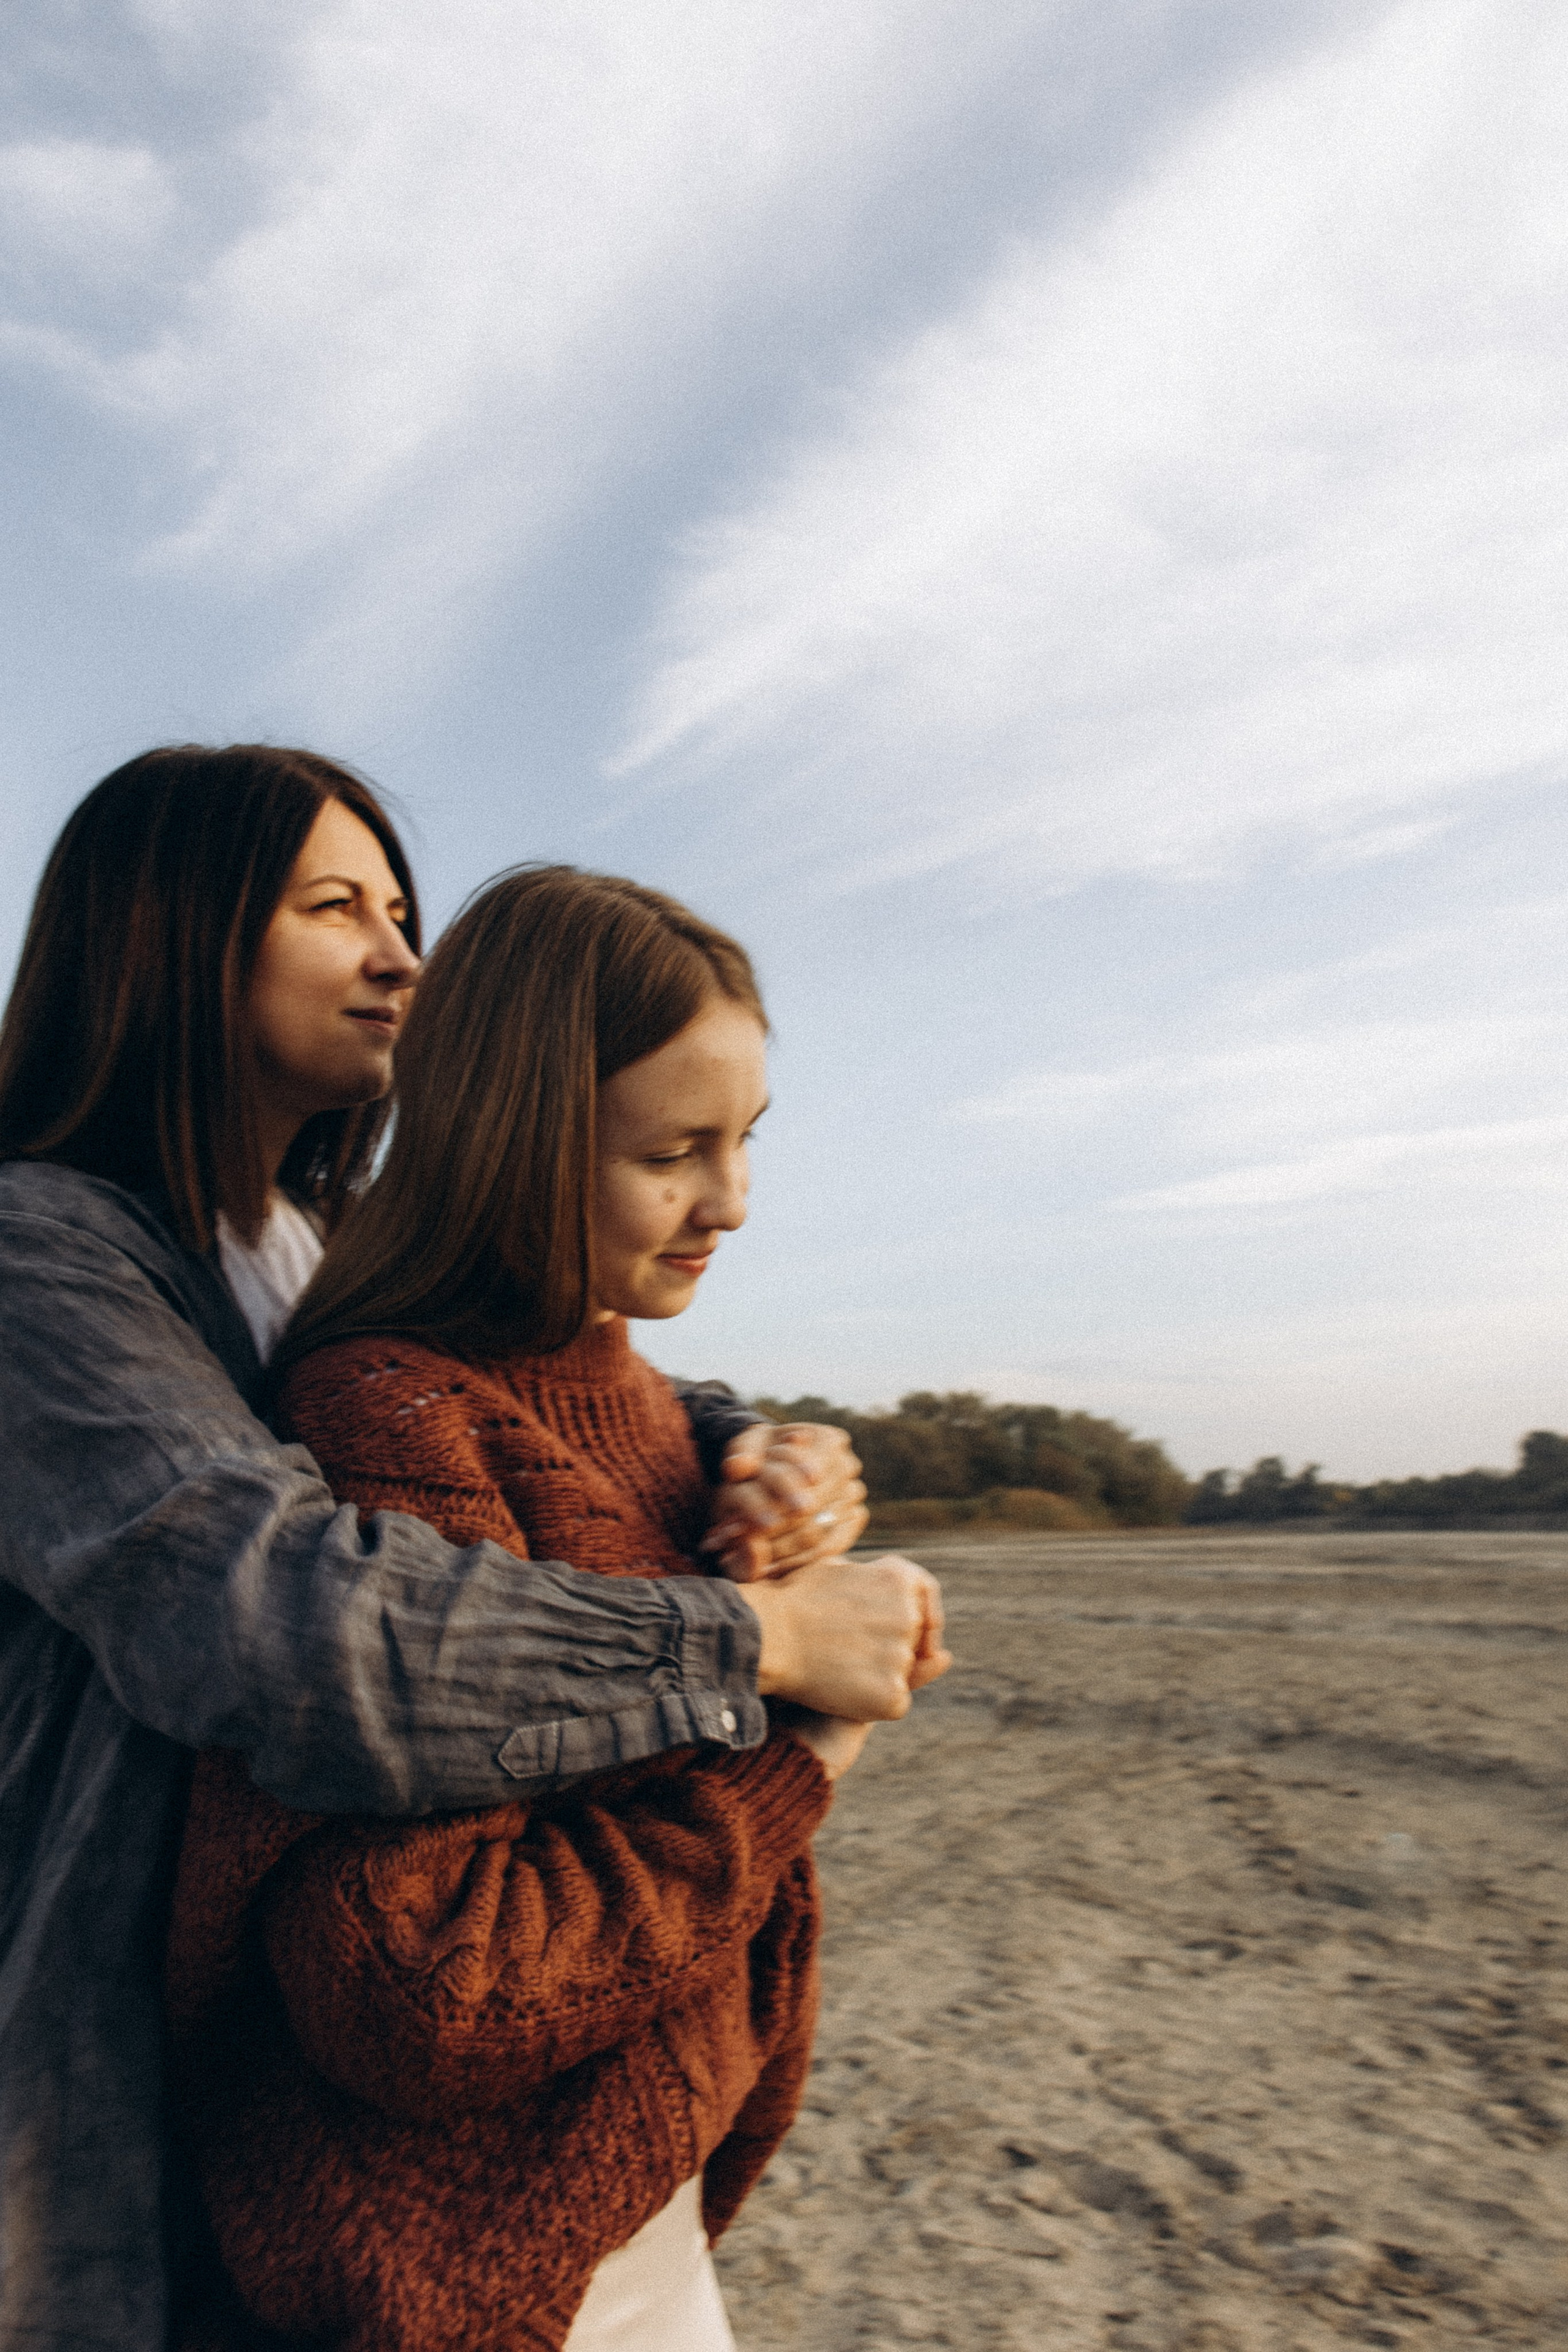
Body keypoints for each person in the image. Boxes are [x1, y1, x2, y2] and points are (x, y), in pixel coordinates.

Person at [0, 745, 949, 2351]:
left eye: (402, 910)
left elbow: (516, 1367)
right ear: (165, 934)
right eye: (332, 907)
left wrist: (743, 1445)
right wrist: (768, 1650)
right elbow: (278, 1619)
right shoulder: (43, 1254)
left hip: (290, 2062)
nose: (401, 957)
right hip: (112, 2020)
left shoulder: (309, 1244)